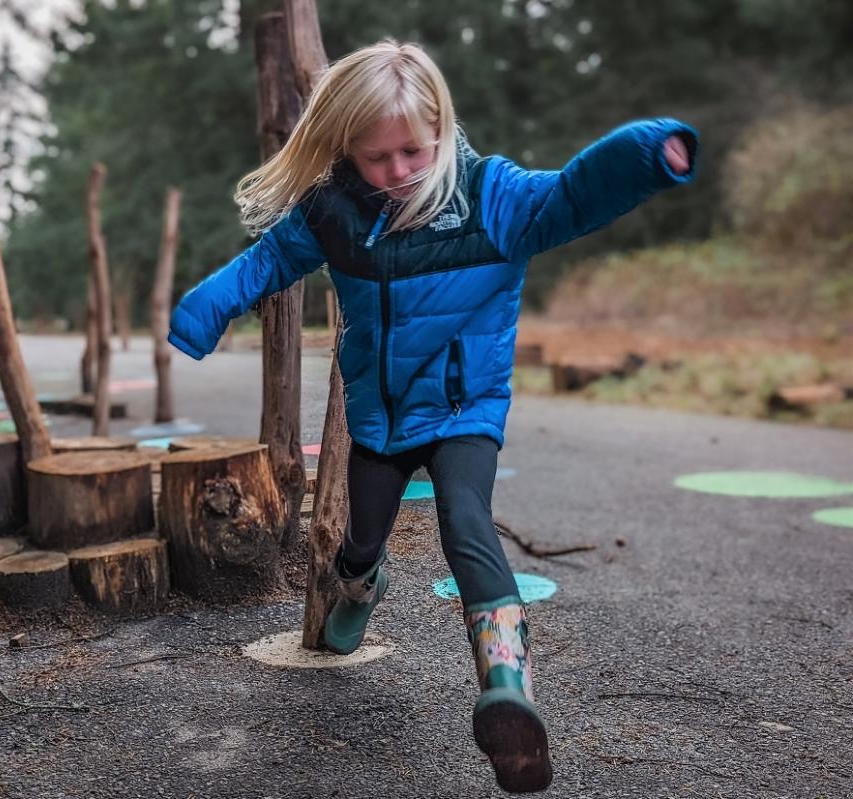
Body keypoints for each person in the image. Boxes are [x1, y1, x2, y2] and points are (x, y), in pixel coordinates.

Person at [167, 40, 697, 794]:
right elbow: (262, 265)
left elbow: (574, 195)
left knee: (466, 522)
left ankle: (507, 686)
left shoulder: (493, 197)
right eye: (376, 156)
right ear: (346, 148)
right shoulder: (334, 211)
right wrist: (205, 309)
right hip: (380, 422)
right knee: (361, 538)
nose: (398, 171)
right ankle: (359, 584)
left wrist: (650, 154)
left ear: (442, 127)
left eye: (414, 150)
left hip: (464, 410)